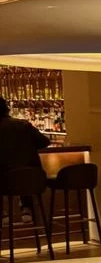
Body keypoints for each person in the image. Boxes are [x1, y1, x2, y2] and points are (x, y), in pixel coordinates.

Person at [0, 96, 50, 225]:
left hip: (6, 182)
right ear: (7, 109)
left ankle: (3, 214)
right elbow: (45, 141)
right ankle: (27, 210)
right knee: (22, 171)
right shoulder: (23, 125)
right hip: (34, 179)